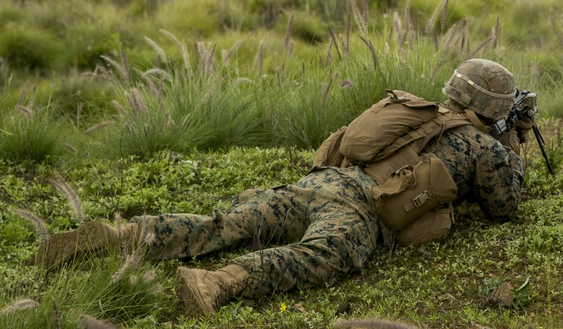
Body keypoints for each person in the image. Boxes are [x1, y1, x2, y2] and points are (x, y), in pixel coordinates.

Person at [34, 59, 526, 317]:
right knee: (322, 254)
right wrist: (513, 144)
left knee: (227, 223)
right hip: (359, 207)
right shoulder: (485, 148)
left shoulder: (421, 113)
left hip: (318, 182)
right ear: (495, 109)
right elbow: (504, 207)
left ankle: (119, 236)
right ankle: (218, 282)